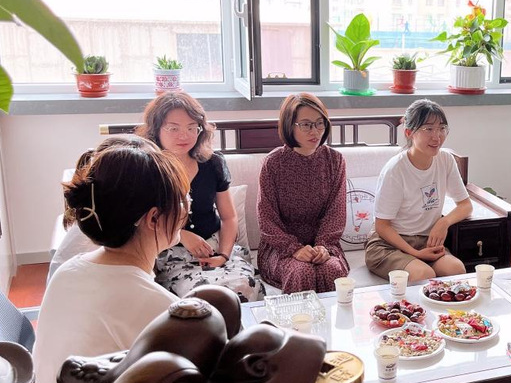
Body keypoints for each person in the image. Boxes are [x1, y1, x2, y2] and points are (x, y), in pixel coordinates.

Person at [33, 137, 189, 383]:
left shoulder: (67, 272)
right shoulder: (157, 307)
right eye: (180, 200)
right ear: (153, 218)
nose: (185, 209)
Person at [139, 92, 264, 303]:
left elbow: (228, 217)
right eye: (174, 128)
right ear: (156, 130)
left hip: (216, 248)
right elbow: (142, 222)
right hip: (171, 253)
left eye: (192, 128)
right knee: (204, 297)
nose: (184, 136)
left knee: (243, 285)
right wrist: (181, 234)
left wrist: (223, 256)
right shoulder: (147, 169)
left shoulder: (212, 163)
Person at [365, 99, 472, 282]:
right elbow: (382, 226)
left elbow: (465, 205)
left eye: (441, 128)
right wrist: (415, 253)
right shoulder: (395, 169)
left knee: (456, 270)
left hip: (425, 241)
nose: (437, 137)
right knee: (424, 274)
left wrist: (443, 222)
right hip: (388, 245)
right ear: (409, 133)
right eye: (428, 129)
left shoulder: (445, 160)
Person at [257, 92, 350, 293]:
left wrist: (323, 247)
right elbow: (266, 219)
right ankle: (297, 317)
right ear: (290, 126)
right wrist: (294, 249)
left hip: (324, 245)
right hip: (281, 248)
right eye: (306, 125)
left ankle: (334, 317)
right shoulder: (273, 163)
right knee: (301, 272)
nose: (315, 131)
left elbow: (336, 213)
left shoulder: (335, 160)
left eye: (319, 123)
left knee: (331, 269)